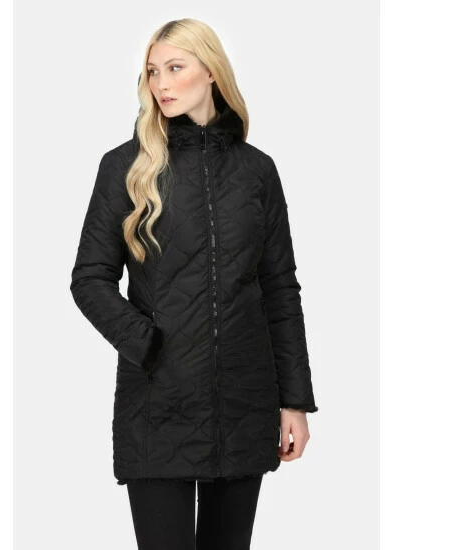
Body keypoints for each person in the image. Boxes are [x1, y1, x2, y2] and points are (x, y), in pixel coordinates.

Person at [70, 18, 319, 550]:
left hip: (244, 403)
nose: (161, 83)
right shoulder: (125, 167)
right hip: (158, 404)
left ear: (211, 71)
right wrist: (146, 343)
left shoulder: (257, 172)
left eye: (174, 67)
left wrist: (294, 401)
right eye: (152, 71)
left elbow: (280, 289)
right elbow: (89, 279)